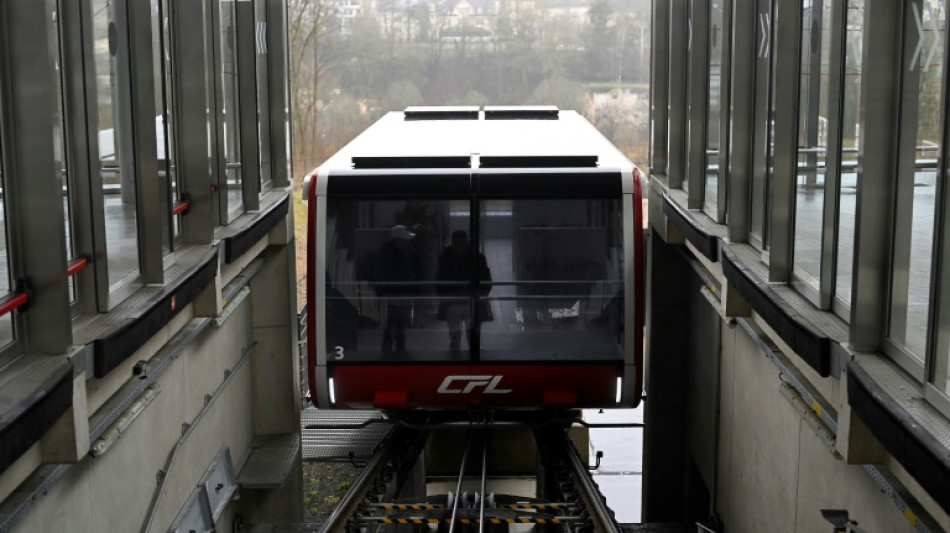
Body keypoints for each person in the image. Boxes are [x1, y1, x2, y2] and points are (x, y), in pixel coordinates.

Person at [436, 230, 492, 352]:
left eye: (462, 243)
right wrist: (481, 294)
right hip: (469, 299)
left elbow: (439, 279)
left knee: (455, 326)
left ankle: (456, 345)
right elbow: (486, 279)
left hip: (454, 299)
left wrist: (444, 296)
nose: (460, 247)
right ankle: (470, 345)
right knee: (471, 326)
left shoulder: (445, 258)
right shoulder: (477, 257)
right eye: (458, 244)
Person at [375, 225, 421, 354]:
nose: (407, 242)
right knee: (392, 324)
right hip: (393, 296)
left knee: (401, 324)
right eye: (404, 240)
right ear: (397, 240)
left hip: (402, 294)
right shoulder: (388, 256)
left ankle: (397, 349)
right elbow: (383, 276)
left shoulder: (405, 253)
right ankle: (391, 351)